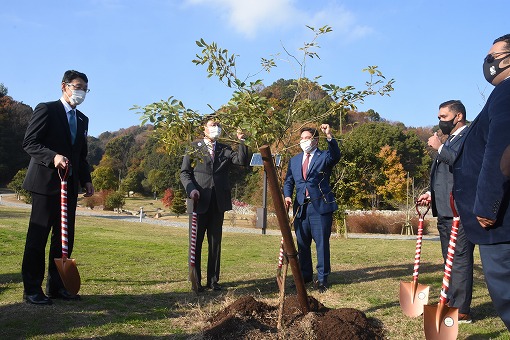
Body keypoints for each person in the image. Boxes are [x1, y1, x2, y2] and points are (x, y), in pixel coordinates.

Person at [21, 70, 94, 305]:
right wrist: (53, 157)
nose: (81, 92)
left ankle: (57, 286)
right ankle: (32, 289)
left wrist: (86, 179)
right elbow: (30, 142)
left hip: (69, 187)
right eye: (78, 86)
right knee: (38, 237)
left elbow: (80, 155)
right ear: (64, 86)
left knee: (63, 239)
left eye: (85, 88)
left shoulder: (82, 119)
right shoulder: (46, 109)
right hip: (46, 184)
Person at [453, 34, 510, 330]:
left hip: (500, 223)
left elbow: (502, 148)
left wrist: (487, 204)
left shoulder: (508, 91)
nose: (487, 62)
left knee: (507, 294)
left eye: (493, 56)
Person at [417, 100, 474, 323]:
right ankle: (451, 299)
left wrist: (439, 147)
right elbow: (448, 176)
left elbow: (461, 165)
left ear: (458, 116)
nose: (440, 121)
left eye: (443, 117)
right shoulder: (451, 139)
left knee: (459, 258)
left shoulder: (468, 136)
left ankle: (461, 310)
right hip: (444, 209)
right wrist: (432, 194)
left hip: (459, 210)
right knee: (448, 258)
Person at [180, 115, 249, 292]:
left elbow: (241, 161)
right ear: (204, 128)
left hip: (218, 202)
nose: (215, 128)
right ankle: (196, 281)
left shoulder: (225, 149)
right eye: (212, 125)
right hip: (198, 201)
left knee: (215, 243)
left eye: (218, 125)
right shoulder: (194, 148)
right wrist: (191, 190)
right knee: (195, 243)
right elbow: (185, 173)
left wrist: (241, 141)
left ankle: (213, 281)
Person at [283, 124, 341, 293]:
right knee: (302, 243)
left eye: (306, 138)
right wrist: (287, 195)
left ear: (315, 140)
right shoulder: (294, 160)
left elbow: (335, 156)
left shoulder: (324, 157)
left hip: (320, 206)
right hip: (301, 207)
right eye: (301, 139)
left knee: (321, 243)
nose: (303, 141)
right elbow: (289, 181)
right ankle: (305, 275)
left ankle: (322, 278)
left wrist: (329, 136)